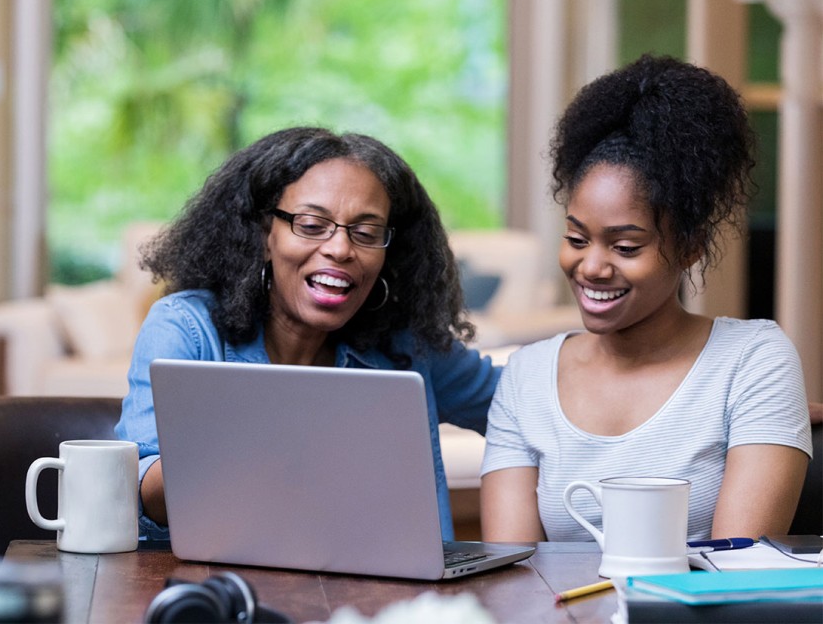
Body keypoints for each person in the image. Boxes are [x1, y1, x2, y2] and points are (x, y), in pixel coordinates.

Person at [480, 55, 813, 543]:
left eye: (625, 246)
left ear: (690, 247)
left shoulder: (753, 361)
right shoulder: (526, 379)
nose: (591, 266)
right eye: (576, 239)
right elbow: (512, 574)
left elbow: (736, 572)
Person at [115, 126, 500, 541]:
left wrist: (577, 348)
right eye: (313, 224)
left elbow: (520, 402)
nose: (340, 249)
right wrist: (259, 440)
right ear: (265, 235)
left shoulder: (407, 346)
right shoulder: (186, 328)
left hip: (389, 595)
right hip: (232, 590)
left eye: (366, 232)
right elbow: (136, 491)